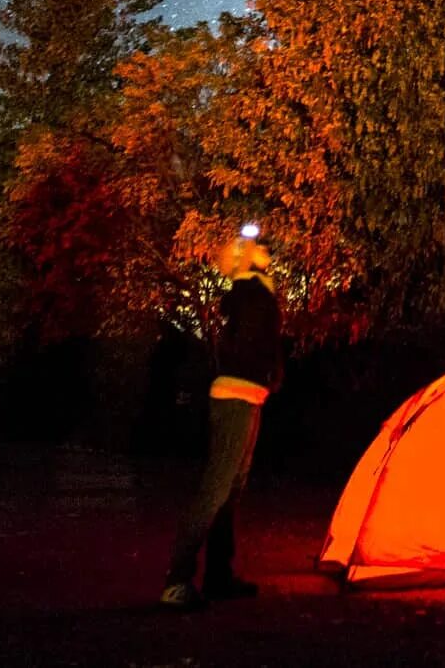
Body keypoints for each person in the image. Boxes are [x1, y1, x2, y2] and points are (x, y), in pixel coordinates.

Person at [160, 226, 284, 611]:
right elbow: (249, 337)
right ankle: (177, 581)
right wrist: (243, 257)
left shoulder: (256, 292)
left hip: (248, 396)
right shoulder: (249, 292)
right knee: (216, 490)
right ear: (242, 261)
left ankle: (218, 576)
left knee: (230, 492)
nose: (263, 250)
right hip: (234, 397)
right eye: (255, 248)